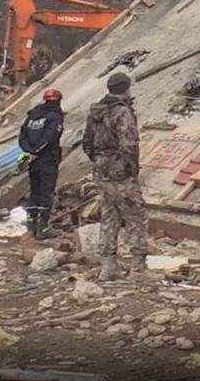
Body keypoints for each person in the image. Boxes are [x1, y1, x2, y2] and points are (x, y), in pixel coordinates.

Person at [82, 73, 148, 281]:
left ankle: (108, 266)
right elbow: (129, 144)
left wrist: (100, 161)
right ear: (126, 88)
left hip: (101, 172)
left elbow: (87, 143)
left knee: (109, 217)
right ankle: (138, 269)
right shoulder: (122, 112)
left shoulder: (96, 112)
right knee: (135, 217)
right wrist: (130, 168)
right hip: (120, 173)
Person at [20, 88, 64, 240]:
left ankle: (31, 226)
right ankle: (43, 227)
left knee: (34, 192)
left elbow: (22, 136)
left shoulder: (32, 116)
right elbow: (50, 137)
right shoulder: (54, 117)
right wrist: (37, 151)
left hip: (33, 160)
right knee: (46, 192)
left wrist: (29, 151)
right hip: (47, 160)